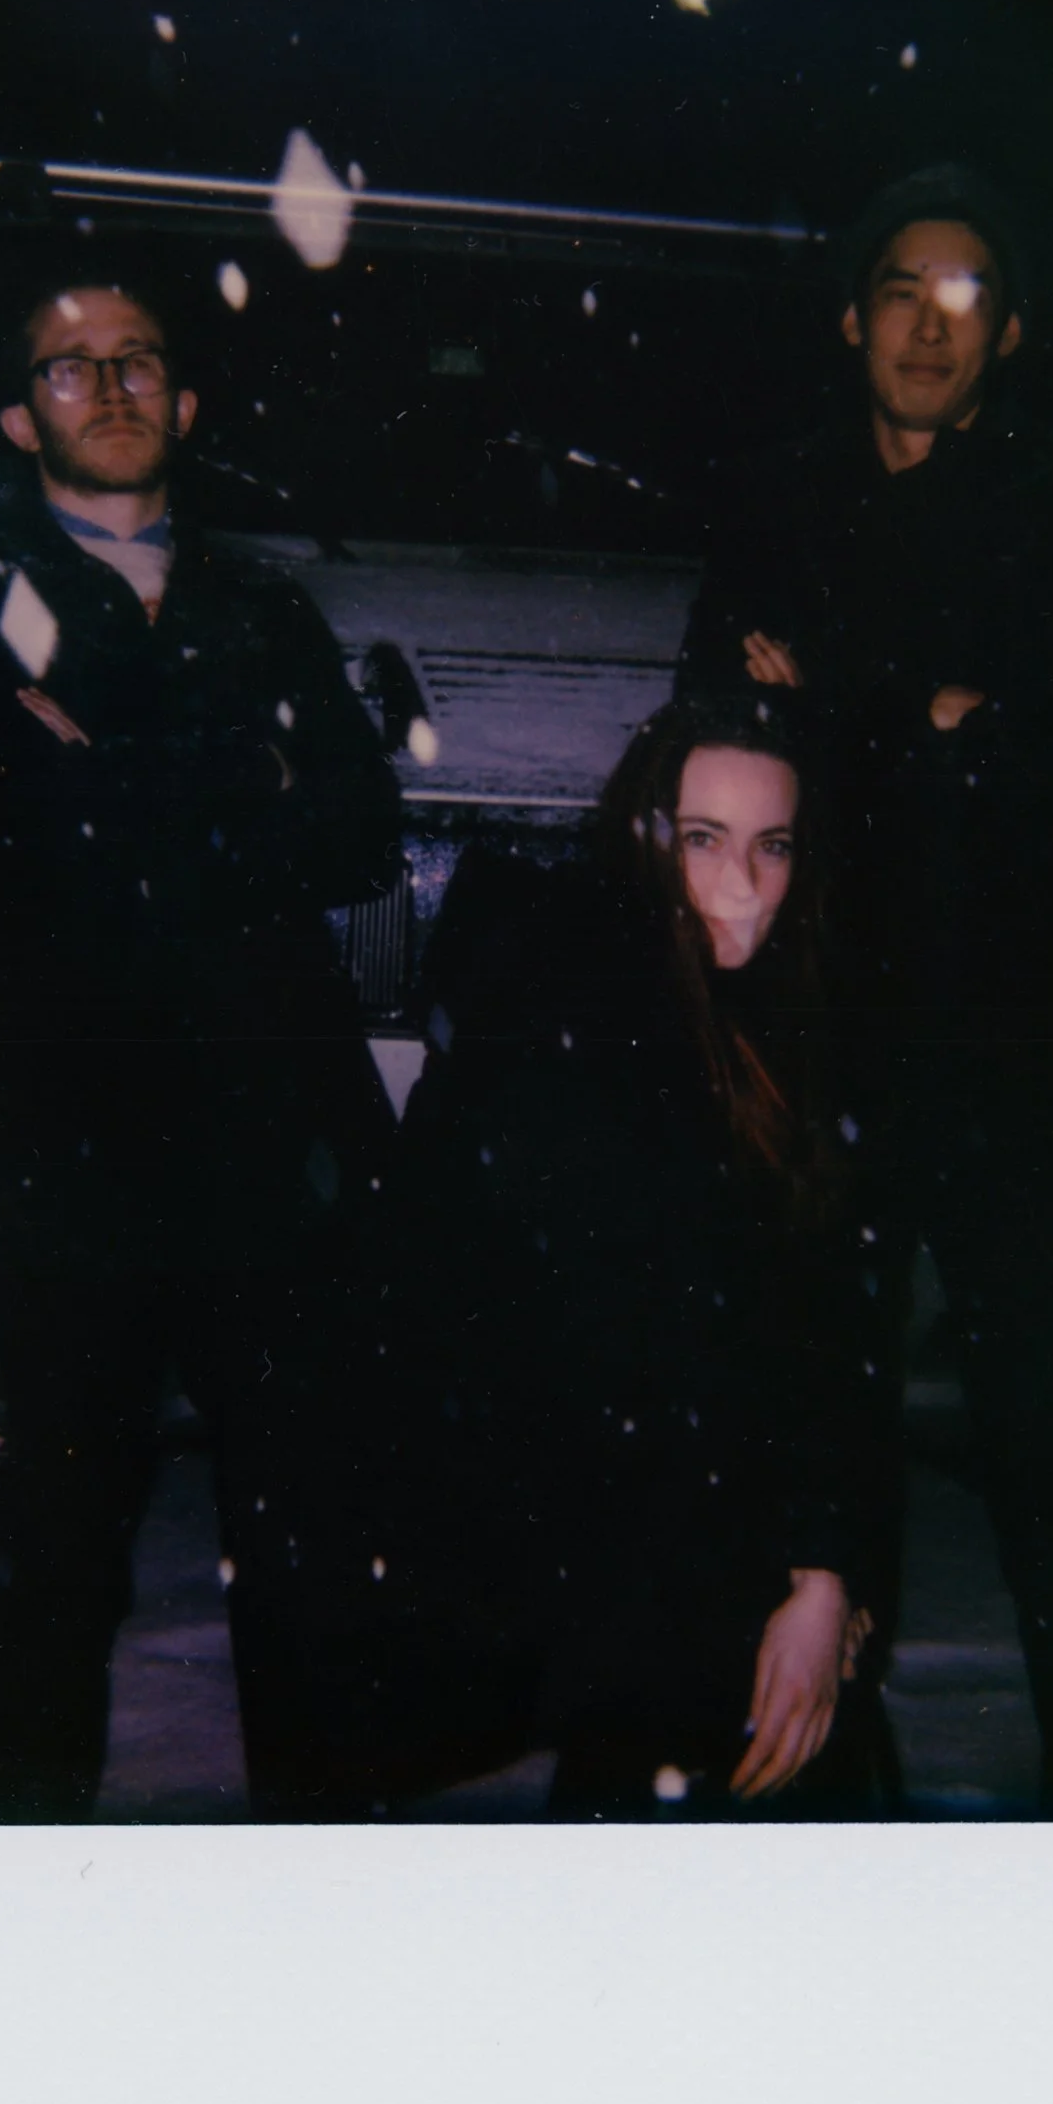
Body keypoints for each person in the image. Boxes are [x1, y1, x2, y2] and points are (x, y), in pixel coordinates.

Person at [0, 241, 403, 1822]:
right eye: (70, 364)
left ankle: (315, 1885)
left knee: (305, 1547)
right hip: (76, 1161)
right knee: (62, 1550)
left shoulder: (265, 601)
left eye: (138, 360)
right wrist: (243, 775)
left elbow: (362, 833)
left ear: (184, 400)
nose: (109, 386)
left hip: (274, 1152)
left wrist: (112, 766)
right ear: (20, 416)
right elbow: (8, 839)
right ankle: (31, 1883)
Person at [676, 162, 1053, 1817]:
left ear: (1006, 334)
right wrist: (930, 712)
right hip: (826, 1042)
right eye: (902, 291)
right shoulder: (771, 498)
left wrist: (843, 699)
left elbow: (1047, 756)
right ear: (850, 320)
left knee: (1042, 1435)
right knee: (824, 1418)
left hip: (1012, 1048)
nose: (930, 327)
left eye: (967, 298)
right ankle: (829, 1787)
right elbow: (725, 730)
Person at [356, 693, 897, 1821]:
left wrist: (826, 1570)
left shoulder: (789, 1018)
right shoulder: (580, 1026)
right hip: (621, 1561)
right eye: (702, 839)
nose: (740, 884)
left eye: (771, 846)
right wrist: (803, 1574)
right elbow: (662, 1358)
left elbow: (829, 1320)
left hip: (707, 1551)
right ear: (645, 842)